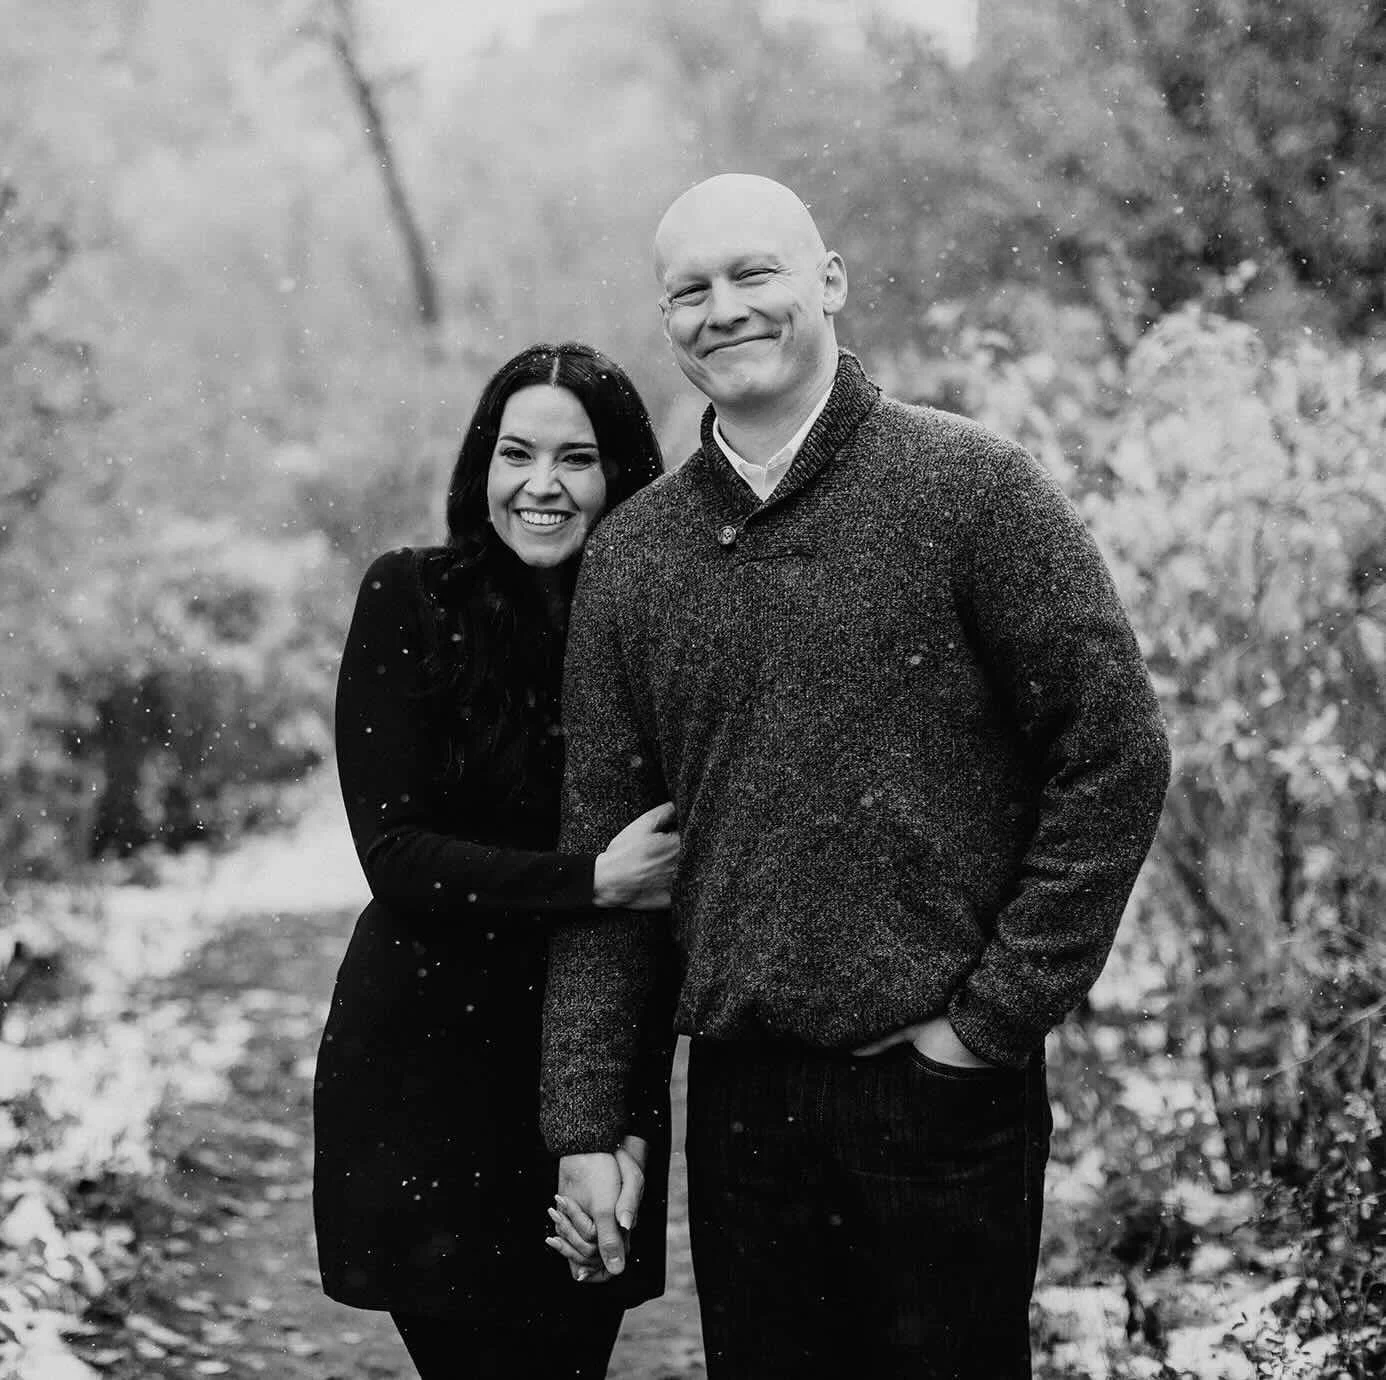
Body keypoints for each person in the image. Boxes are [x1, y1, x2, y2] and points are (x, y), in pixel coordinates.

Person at [538, 176, 1172, 1379]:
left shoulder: (973, 489)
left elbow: (1115, 754)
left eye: (753, 274)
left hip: (939, 1096)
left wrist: (989, 1024)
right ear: (666, 321)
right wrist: (585, 1119)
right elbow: (611, 858)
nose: (723, 309)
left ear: (827, 281)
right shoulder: (633, 557)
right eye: (690, 290)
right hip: (742, 1107)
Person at [313, 342, 678, 1380]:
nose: (542, 485)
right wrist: (590, 881)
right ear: (483, 465)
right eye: (517, 453)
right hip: (425, 1071)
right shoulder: (411, 600)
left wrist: (632, 1132)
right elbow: (396, 854)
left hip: (590, 1063)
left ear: (622, 477)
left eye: (577, 459)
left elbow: (666, 912)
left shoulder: (649, 634)